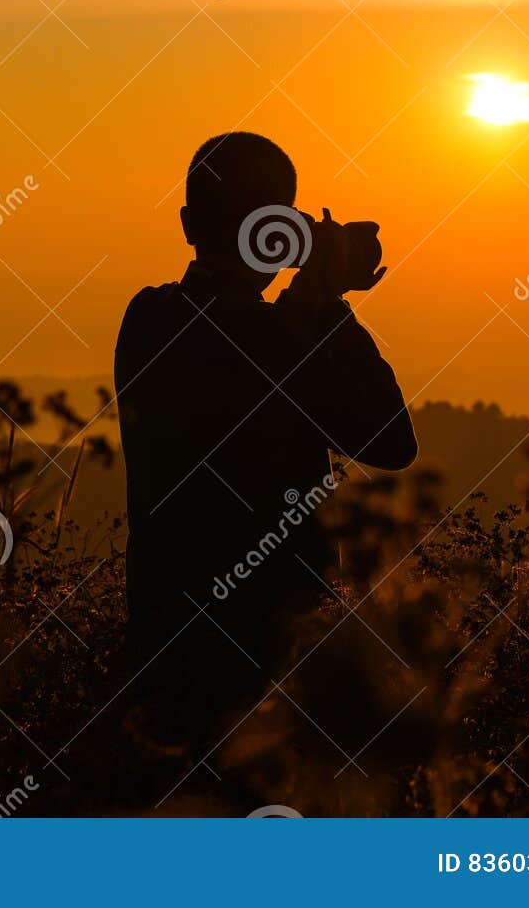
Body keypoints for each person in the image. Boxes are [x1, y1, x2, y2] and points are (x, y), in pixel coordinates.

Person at [114, 132, 417, 751]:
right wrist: (322, 298)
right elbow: (391, 442)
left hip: (165, 648)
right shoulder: (256, 332)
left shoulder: (147, 320)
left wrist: (313, 299)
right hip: (271, 665)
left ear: (187, 224)